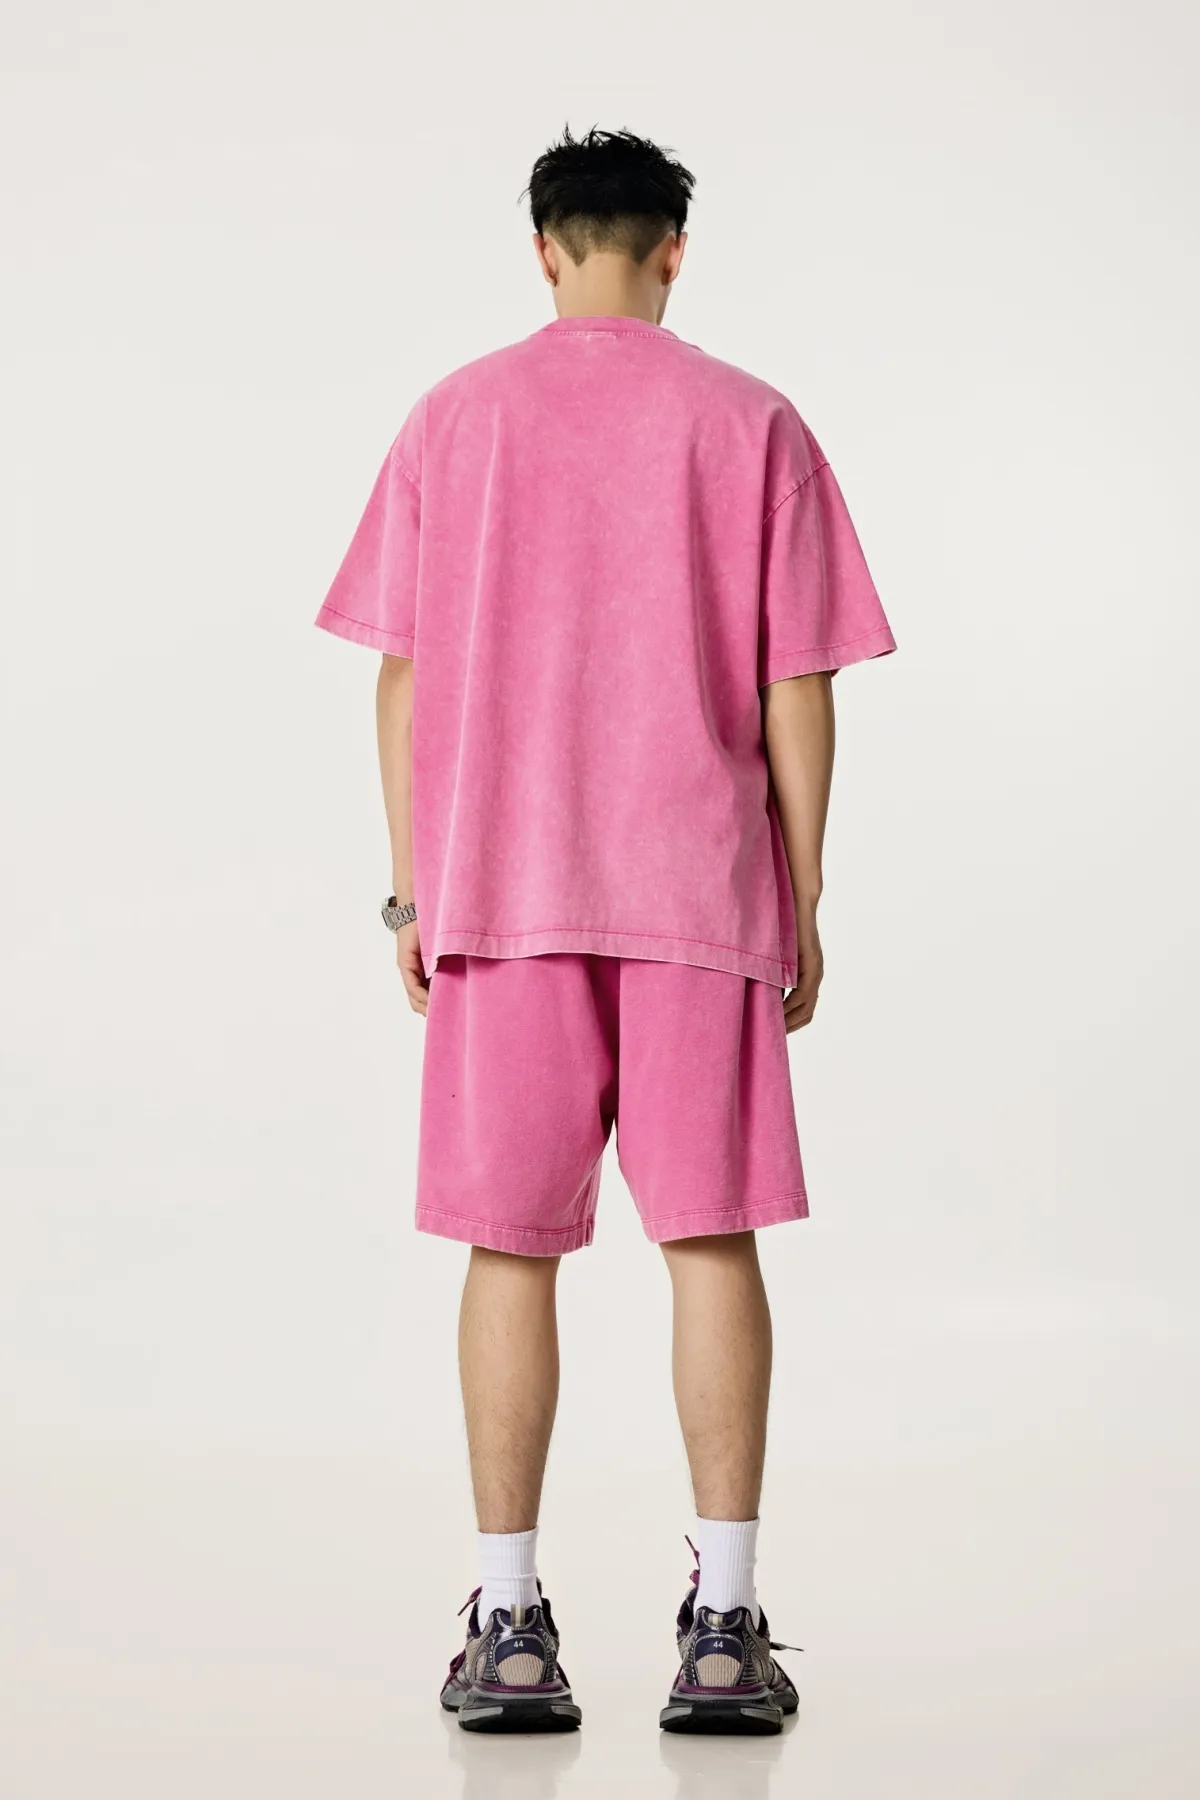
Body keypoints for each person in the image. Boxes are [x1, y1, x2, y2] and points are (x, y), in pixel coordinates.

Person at [315, 125, 895, 1737]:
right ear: (674, 253)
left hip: (502, 893)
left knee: (510, 1247)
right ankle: (725, 1627)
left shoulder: (454, 417)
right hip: (699, 892)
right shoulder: (754, 422)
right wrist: (804, 891)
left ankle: (507, 1627)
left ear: (546, 250)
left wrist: (414, 888)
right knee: (711, 1238)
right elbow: (798, 684)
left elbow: (401, 675)